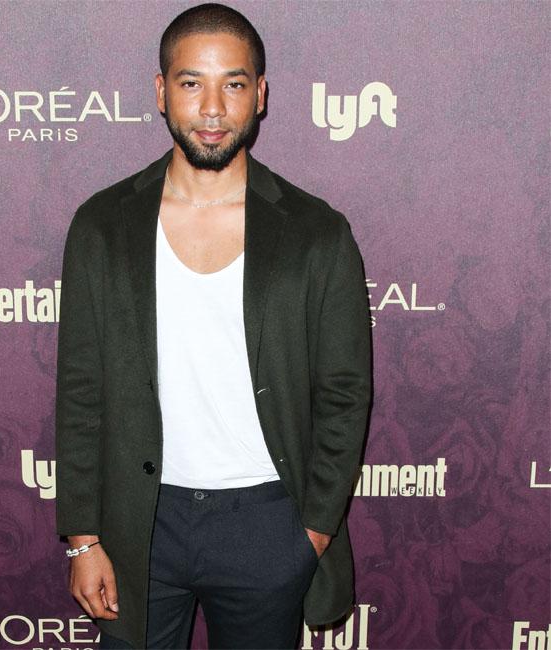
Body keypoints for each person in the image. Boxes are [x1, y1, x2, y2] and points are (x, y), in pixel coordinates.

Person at [55, 3, 372, 649]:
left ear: (260, 94)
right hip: (139, 522)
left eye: (233, 84)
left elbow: (344, 392)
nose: (212, 108)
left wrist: (311, 532)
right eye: (191, 82)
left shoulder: (316, 233)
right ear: (160, 92)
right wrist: (83, 538)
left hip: (266, 522)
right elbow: (81, 390)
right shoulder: (103, 226)